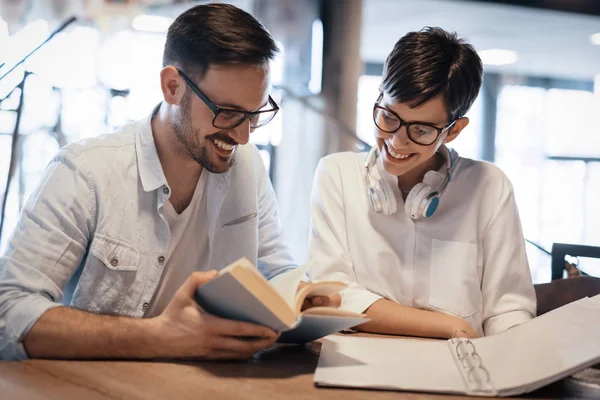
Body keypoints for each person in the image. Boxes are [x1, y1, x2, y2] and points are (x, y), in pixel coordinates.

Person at [0, 3, 335, 361]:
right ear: (172, 86)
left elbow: (275, 271)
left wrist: (301, 296)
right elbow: (9, 314)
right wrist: (160, 337)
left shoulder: (247, 167)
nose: (243, 136)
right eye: (227, 113)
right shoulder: (84, 172)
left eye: (255, 115)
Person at [308, 27, 536, 339]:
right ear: (378, 98)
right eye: (388, 117)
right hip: (358, 367)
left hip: (460, 369)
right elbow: (332, 296)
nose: (397, 141)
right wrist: (451, 325)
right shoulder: (336, 175)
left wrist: (514, 357)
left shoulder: (489, 187)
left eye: (422, 130)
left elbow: (509, 309)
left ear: (453, 131)